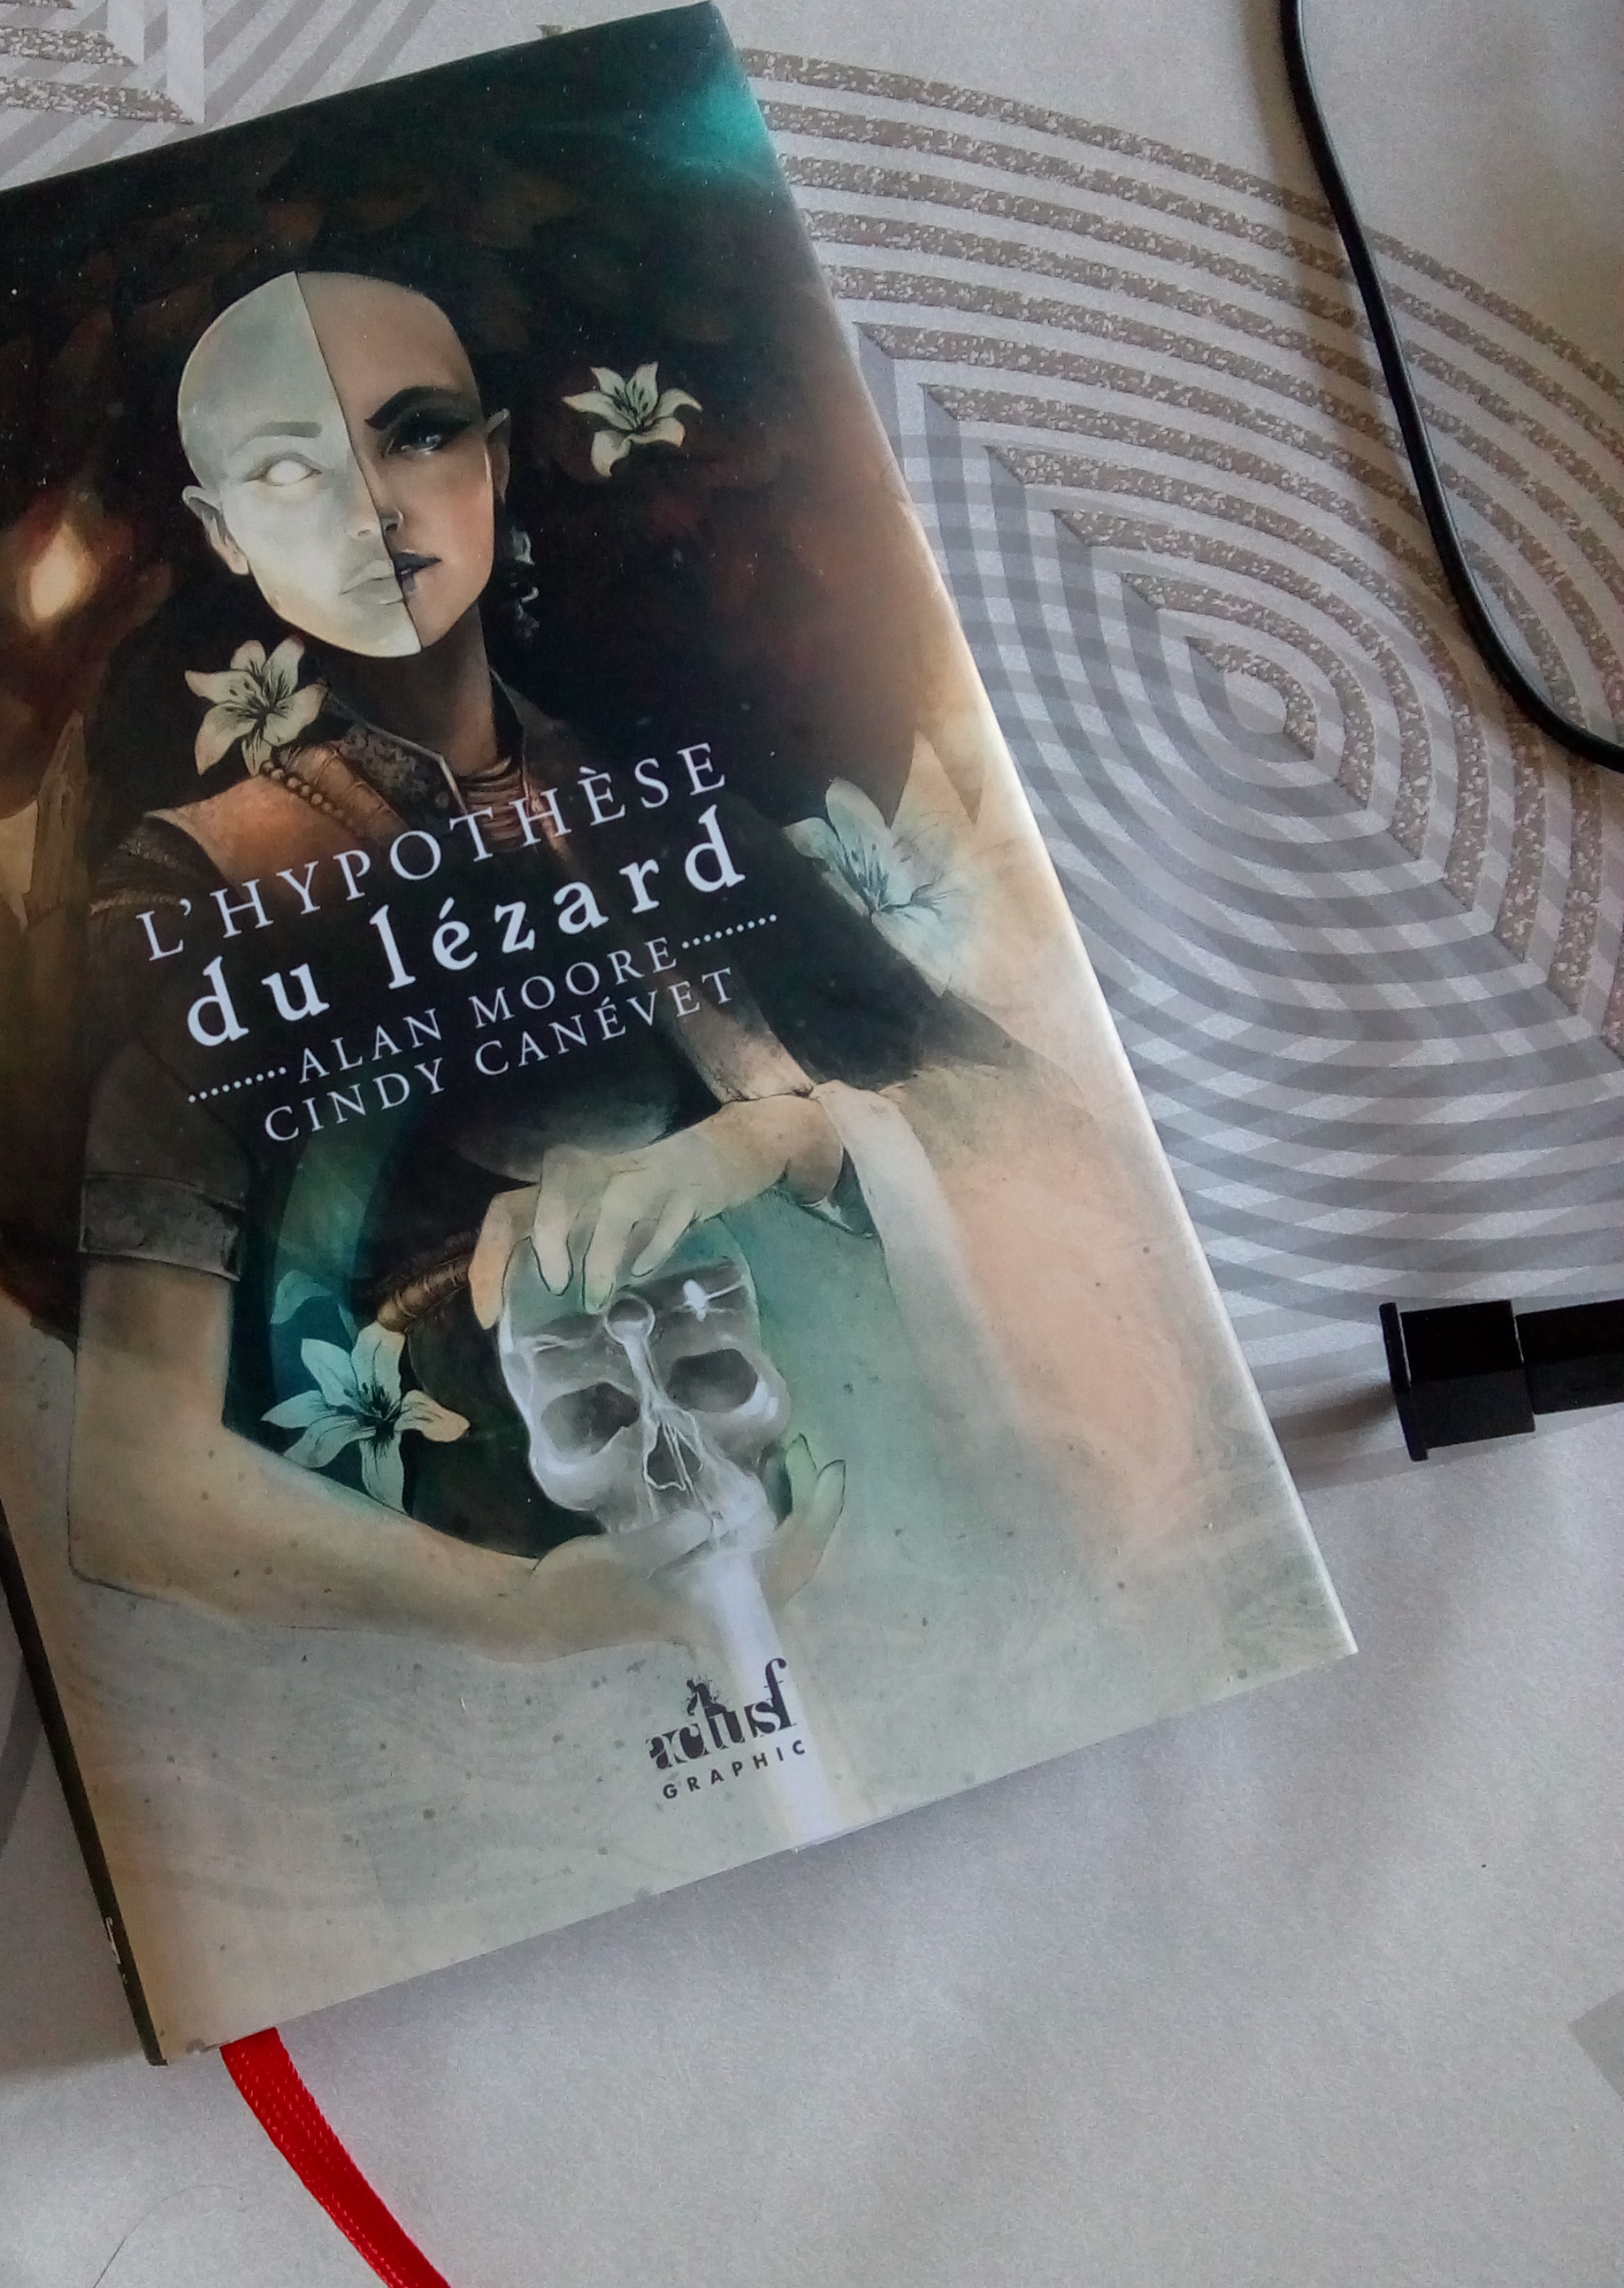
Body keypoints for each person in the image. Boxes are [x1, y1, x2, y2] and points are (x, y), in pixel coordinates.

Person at [67, 270, 1012, 1655]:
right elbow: (135, 1482)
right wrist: (534, 1618)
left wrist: (782, 1142)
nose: (371, 509)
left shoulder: (657, 788)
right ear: (222, 534)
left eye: (418, 434)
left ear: (497, 459)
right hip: (501, 1642)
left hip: (901, 1531)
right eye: (288, 468)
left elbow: (1019, 1120)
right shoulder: (197, 886)